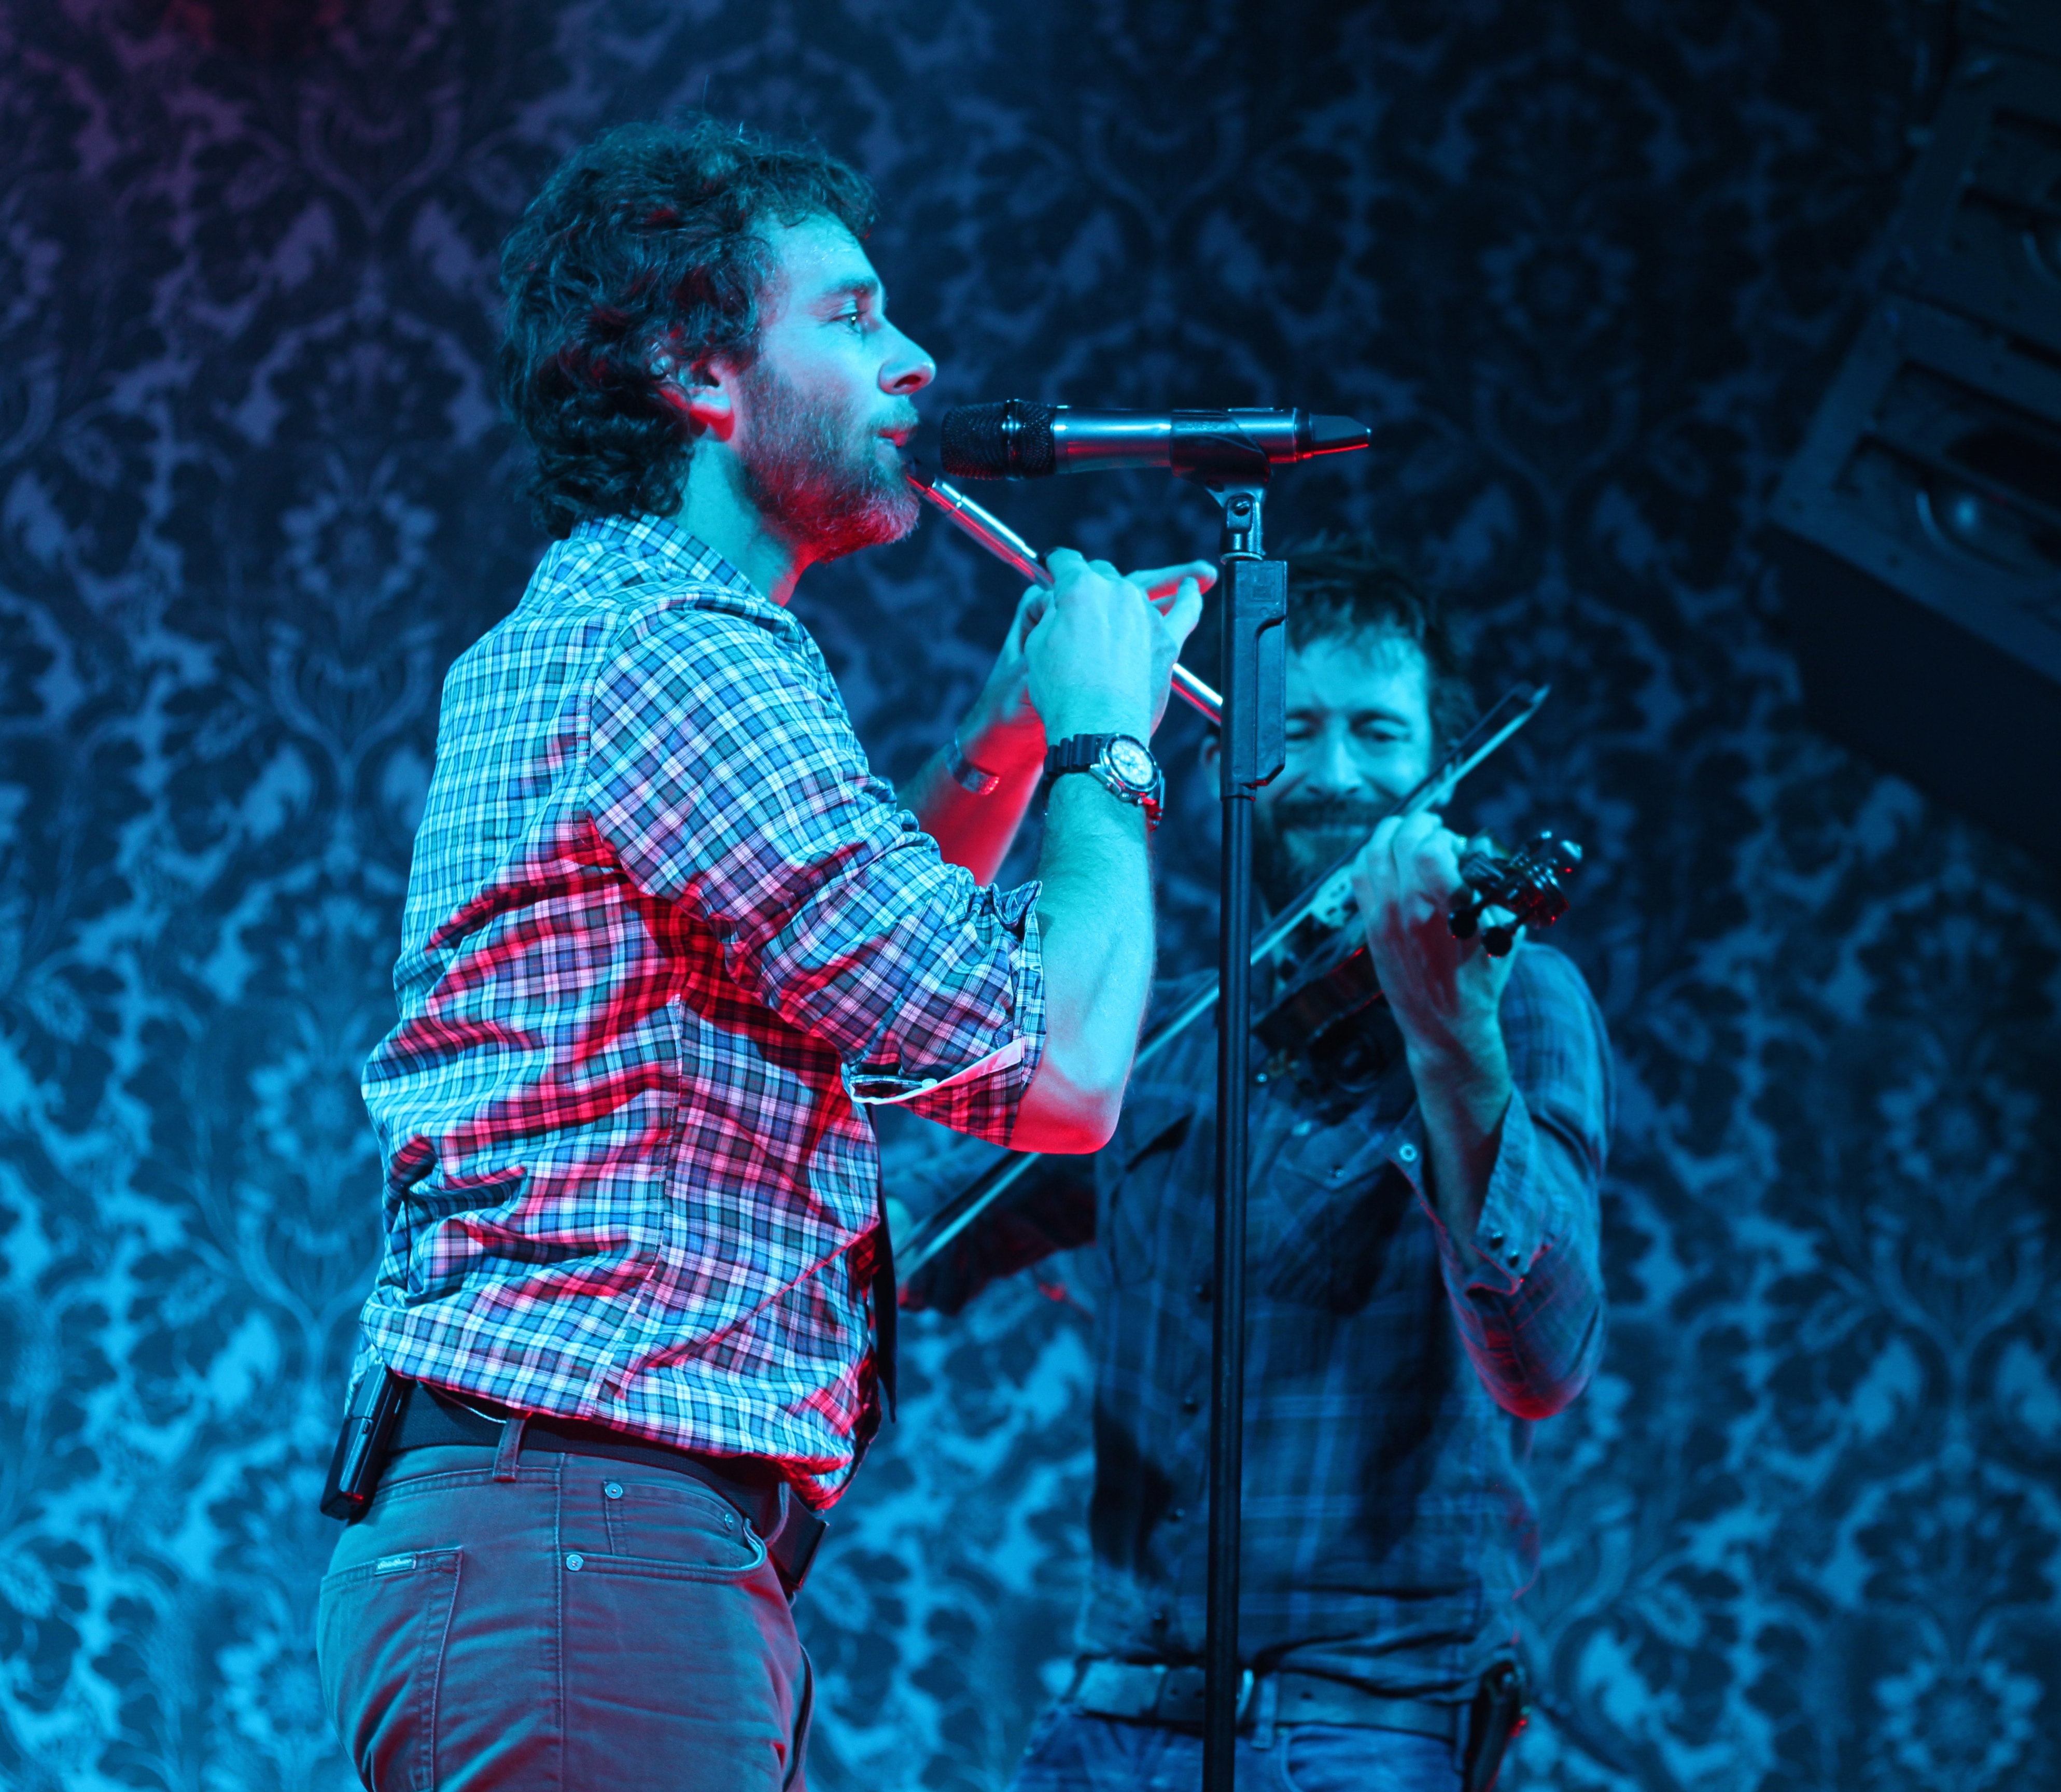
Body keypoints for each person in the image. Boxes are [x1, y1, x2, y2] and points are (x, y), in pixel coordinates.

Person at [317, 117, 1209, 1791]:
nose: (915, 359)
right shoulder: (681, 650)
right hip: (591, 1539)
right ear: (695, 372)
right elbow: (1064, 1068)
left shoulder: (612, 626)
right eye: (854, 317)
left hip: (576, 1538)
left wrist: (1011, 736)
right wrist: (1110, 745)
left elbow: (853, 984)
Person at [900, 538, 1613, 1792]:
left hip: (1365, 1728)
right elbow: (909, 1238)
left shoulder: (1513, 998)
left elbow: (1543, 1359)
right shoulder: (1156, 1033)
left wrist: (1448, 1035)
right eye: (1291, 733)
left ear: (1441, 766)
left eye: (1378, 734)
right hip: (1110, 1717)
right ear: (1226, 762)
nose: (1334, 776)